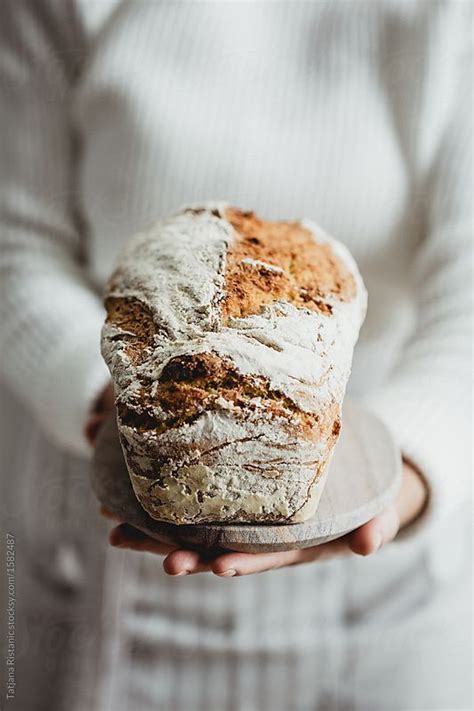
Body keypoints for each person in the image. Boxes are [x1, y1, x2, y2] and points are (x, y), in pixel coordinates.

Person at [0, 1, 471, 710]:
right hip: (90, 578)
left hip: (371, 610)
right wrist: (124, 405)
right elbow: (16, 246)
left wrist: (397, 478)